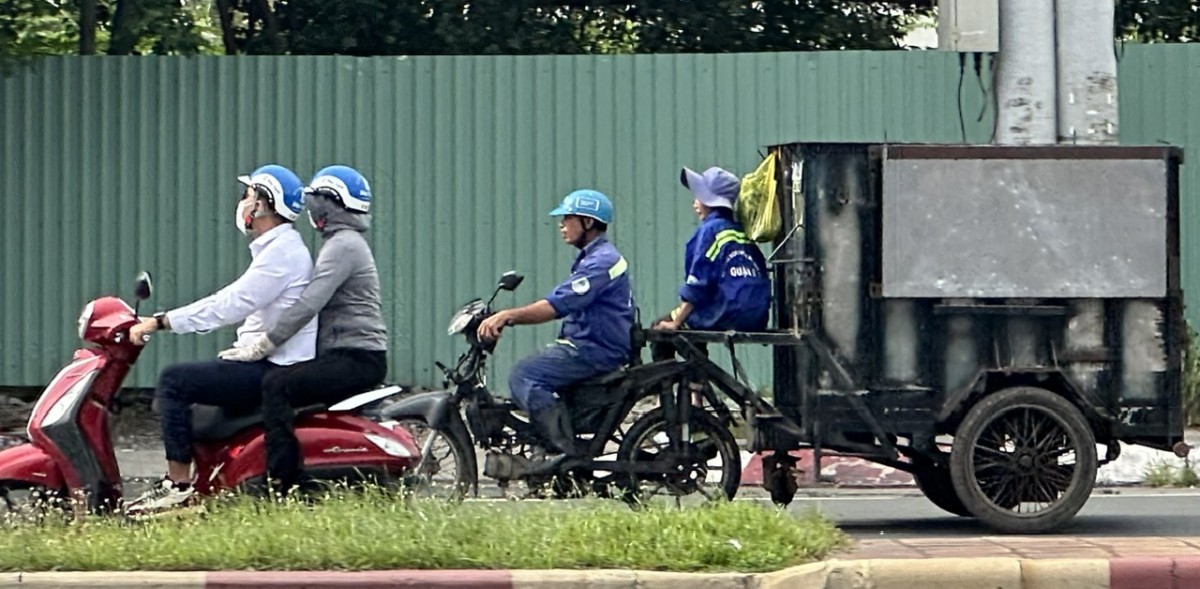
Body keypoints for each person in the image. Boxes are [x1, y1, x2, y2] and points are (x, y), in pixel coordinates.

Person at [125, 164, 317, 512]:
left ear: (262, 205)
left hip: (272, 367)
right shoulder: (278, 249)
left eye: (248, 195)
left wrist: (161, 322)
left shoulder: (283, 254)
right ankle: (204, 480)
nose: (242, 202)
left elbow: (230, 304)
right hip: (265, 360)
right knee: (192, 389)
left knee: (173, 382)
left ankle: (177, 486)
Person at [221, 165, 388, 495]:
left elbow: (309, 303)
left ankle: (282, 482)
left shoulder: (343, 246)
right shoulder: (343, 243)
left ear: (330, 204)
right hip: (352, 353)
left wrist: (266, 343)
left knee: (277, 385)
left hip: (355, 356)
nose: (311, 209)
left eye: (317, 201)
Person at [477, 189, 634, 465]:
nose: (561, 225)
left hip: (594, 349)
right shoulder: (592, 257)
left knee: (525, 375)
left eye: (567, 218)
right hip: (586, 344)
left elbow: (556, 305)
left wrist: (507, 316)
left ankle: (561, 453)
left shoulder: (601, 262)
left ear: (588, 222)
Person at [652, 166, 771, 361]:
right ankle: (698, 378)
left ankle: (691, 376)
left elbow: (699, 284)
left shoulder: (710, 231)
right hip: (755, 316)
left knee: (661, 328)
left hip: (725, 312)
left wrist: (676, 322)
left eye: (699, 196)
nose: (694, 202)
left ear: (710, 200)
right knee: (690, 322)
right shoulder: (741, 233)